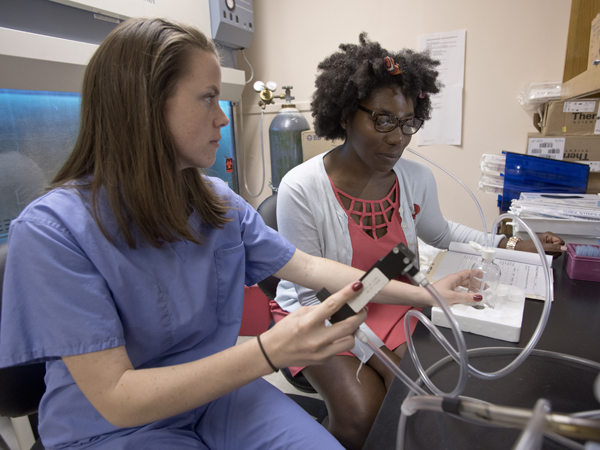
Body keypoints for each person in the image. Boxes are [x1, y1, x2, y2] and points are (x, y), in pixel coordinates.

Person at [0, 19, 480, 450]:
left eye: (406, 123)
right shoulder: (53, 232)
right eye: (208, 98)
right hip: (115, 426)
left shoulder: (216, 202)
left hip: (218, 396)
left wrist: (428, 295)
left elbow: (310, 266)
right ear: (143, 106)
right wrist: (272, 349)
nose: (224, 117)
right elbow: (118, 399)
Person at [271, 33, 566, 450]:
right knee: (360, 417)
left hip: (391, 300)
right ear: (343, 115)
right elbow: (308, 298)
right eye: (382, 120)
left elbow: (442, 234)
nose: (398, 137)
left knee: (420, 399)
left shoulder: (415, 179)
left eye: (408, 123)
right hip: (320, 313)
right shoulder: (301, 188)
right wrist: (375, 355)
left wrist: (512, 243)